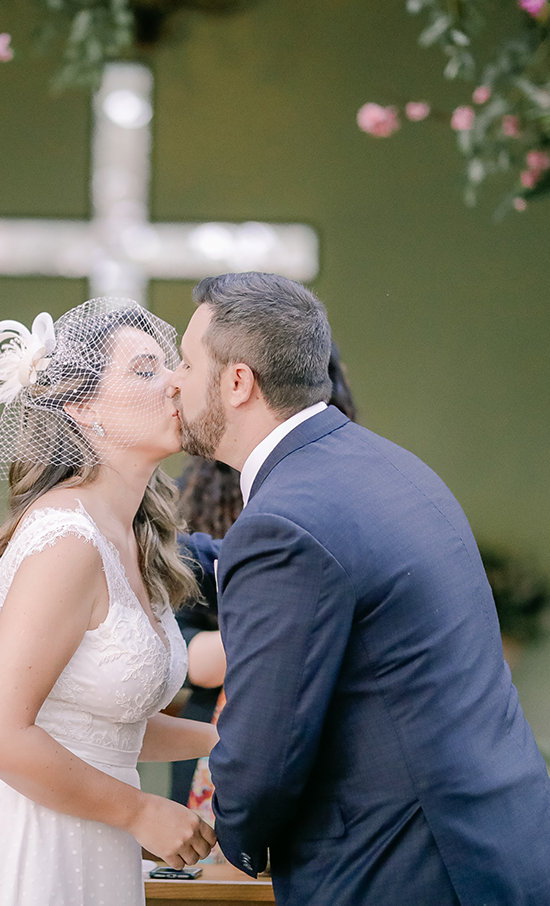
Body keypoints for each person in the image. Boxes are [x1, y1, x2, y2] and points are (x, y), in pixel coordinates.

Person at [169, 273, 550, 906]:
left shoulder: (285, 520)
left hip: (411, 875)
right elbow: (257, 570)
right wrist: (121, 545)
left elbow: (264, 759)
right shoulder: (381, 466)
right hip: (503, 856)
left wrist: (230, 836)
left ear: (237, 382)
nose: (174, 379)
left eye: (187, 361)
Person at [0, 298, 218, 906]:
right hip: (26, 847)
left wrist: (218, 741)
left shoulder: (129, 534)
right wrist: (138, 812)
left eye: (172, 366)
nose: (176, 382)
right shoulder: (67, 540)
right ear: (81, 407)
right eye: (146, 370)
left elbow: (99, 726)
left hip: (90, 845)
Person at [169, 343, 358, 807]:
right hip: (214, 720)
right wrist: (285, 632)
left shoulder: (346, 492)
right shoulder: (185, 505)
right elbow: (181, 648)